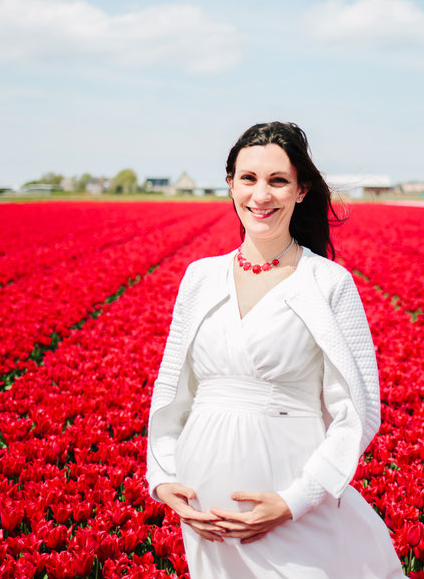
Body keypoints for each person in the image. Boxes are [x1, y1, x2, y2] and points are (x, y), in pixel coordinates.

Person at [146, 122, 405, 578]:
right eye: (248, 179)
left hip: (293, 499)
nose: (260, 195)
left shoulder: (327, 284)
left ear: (302, 190)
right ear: (230, 185)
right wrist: (162, 477)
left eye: (277, 181)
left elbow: (357, 412)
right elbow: (173, 393)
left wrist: (294, 501)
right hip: (206, 512)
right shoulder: (200, 277)